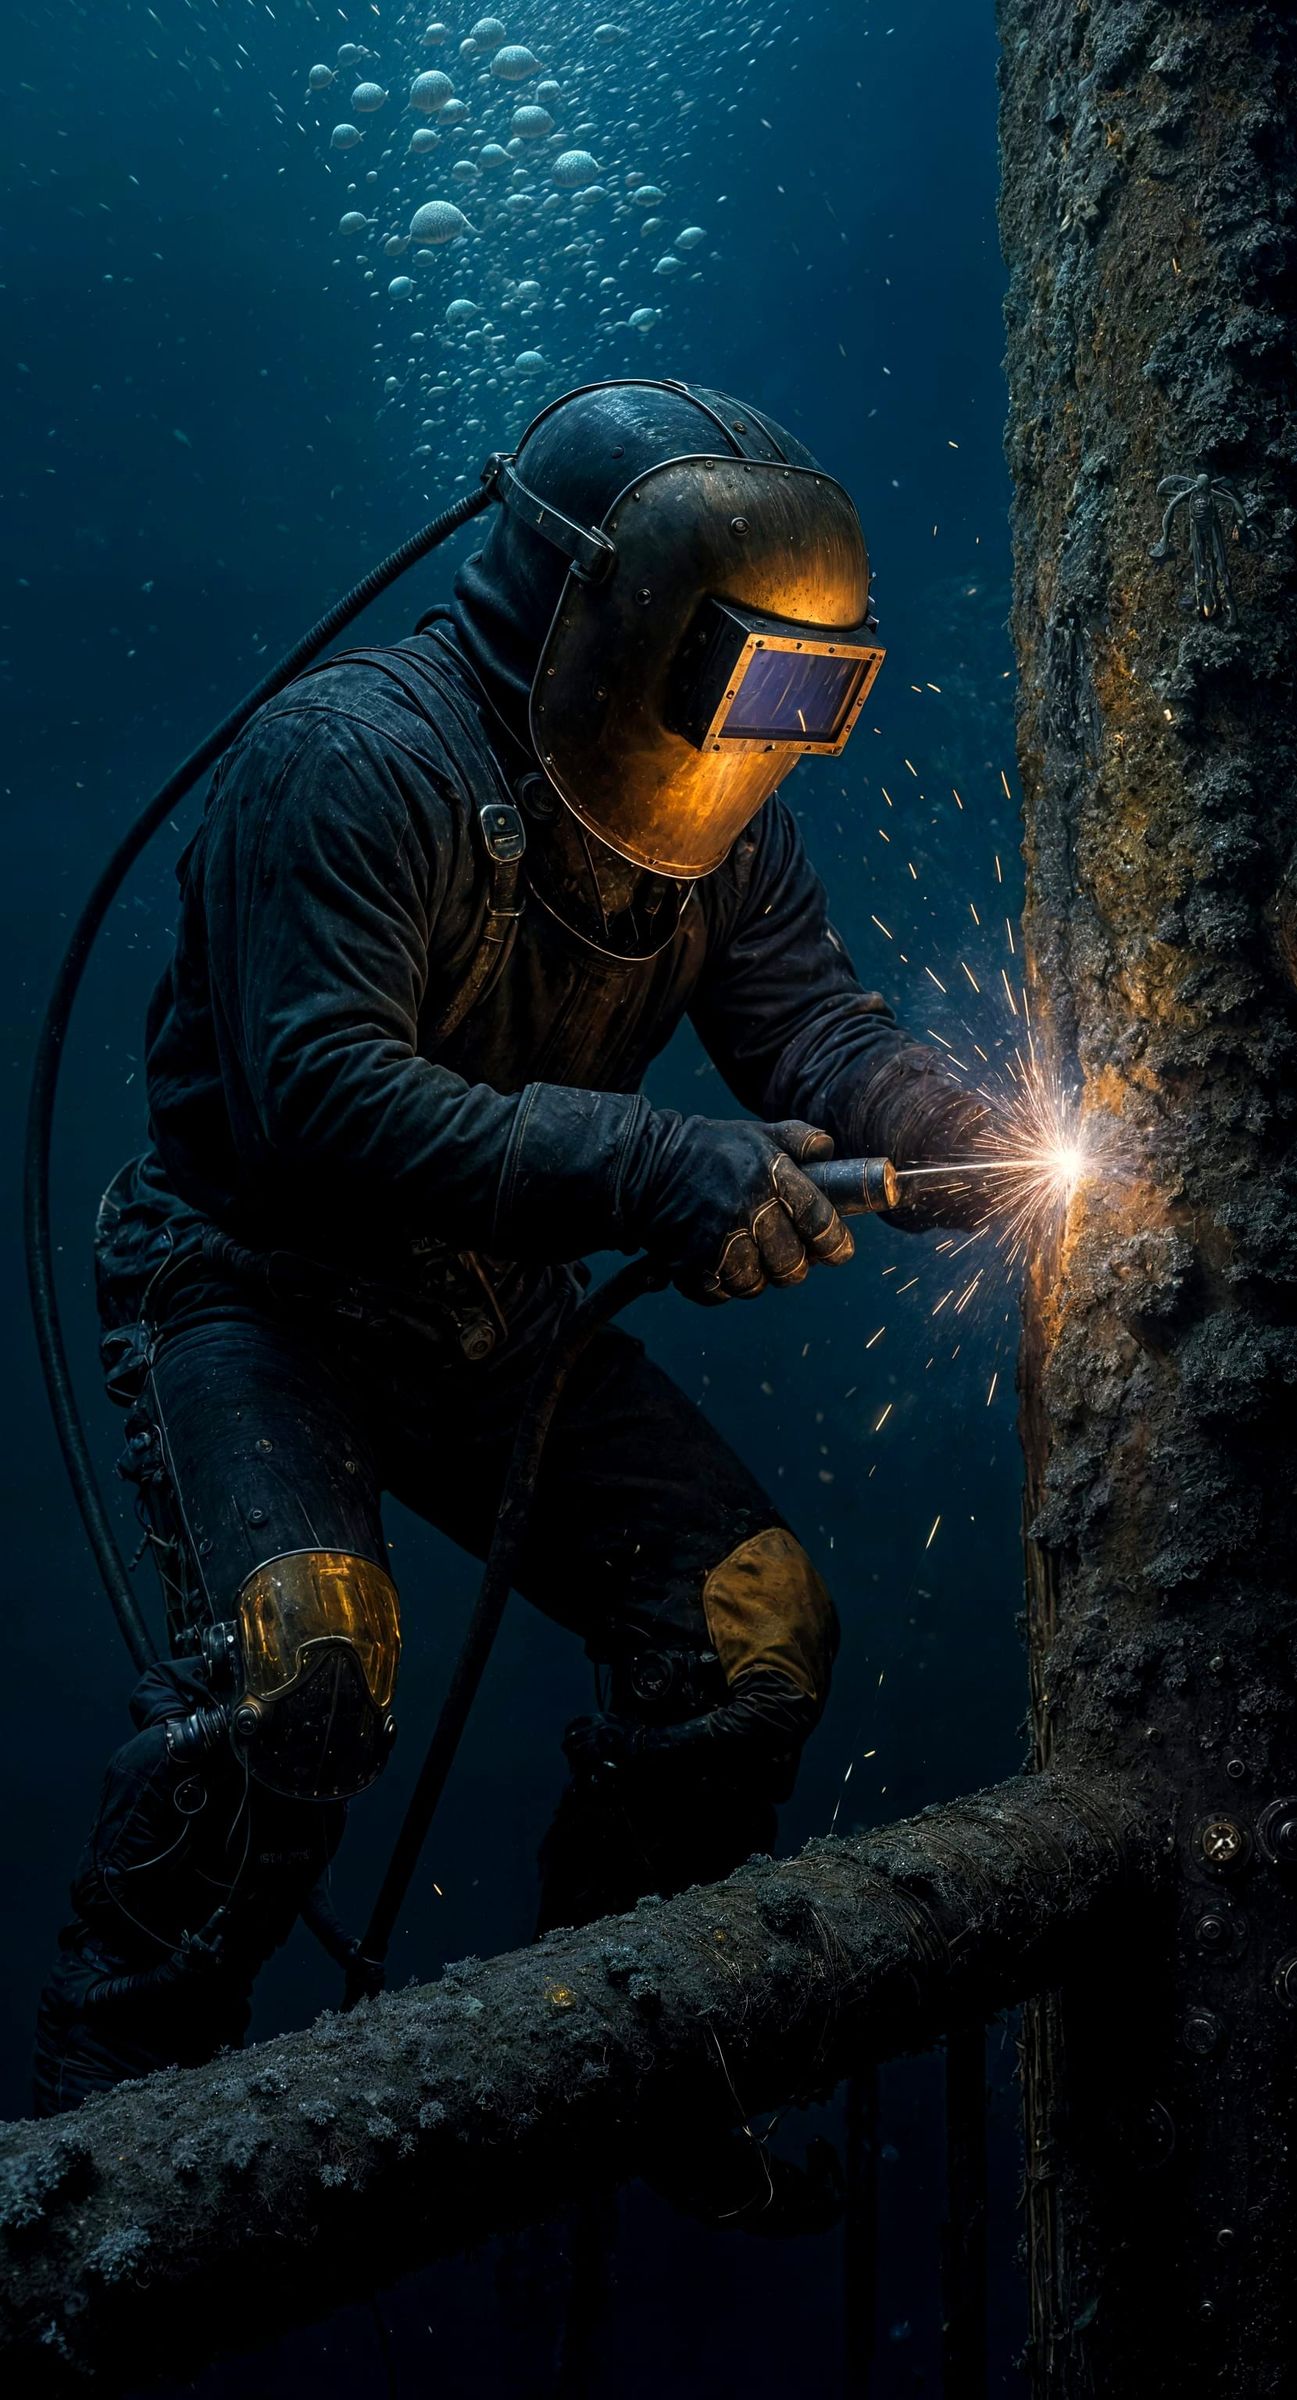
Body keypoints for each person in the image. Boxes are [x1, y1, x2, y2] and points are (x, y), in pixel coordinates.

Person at [34, 378, 987, 2122]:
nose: (761, 736)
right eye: (745, 675)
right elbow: (314, 1097)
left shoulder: (723, 830)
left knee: (751, 1629)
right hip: (257, 1293)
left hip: (487, 1311)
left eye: (808, 692)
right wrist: (647, 1163)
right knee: (301, 1666)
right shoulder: (350, 761)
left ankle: (612, 2047)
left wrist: (935, 1122)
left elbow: (809, 1035)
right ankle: (103, 2129)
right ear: (613, 620)